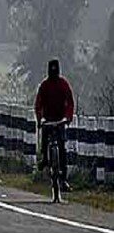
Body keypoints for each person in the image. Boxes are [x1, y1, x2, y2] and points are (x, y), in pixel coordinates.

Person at [34, 58, 74, 191]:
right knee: (45, 141)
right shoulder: (44, 86)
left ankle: (63, 178)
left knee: (62, 147)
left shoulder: (63, 84)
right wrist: (40, 120)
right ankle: (45, 159)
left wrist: (68, 117)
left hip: (60, 119)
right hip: (48, 119)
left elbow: (70, 102)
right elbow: (38, 104)